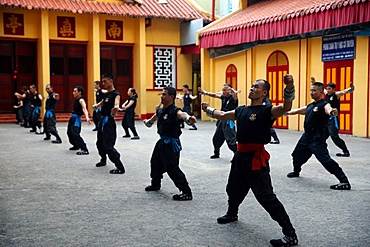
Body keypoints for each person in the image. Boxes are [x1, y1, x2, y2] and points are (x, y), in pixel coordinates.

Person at [201, 75, 298, 247]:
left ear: (264, 92)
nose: (252, 88)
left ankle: (290, 234)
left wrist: (289, 88)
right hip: (239, 157)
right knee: (233, 188)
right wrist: (207, 110)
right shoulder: (241, 110)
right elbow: (223, 115)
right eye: (252, 86)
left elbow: (286, 107)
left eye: (256, 87)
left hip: (256, 158)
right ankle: (232, 214)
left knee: (265, 197)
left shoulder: (267, 110)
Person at [286, 81, 351, 190]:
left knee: (325, 160)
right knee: (296, 155)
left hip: (317, 137)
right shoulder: (311, 105)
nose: (312, 92)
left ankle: (344, 181)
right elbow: (298, 110)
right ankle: (296, 172)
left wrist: (332, 112)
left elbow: (329, 109)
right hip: (306, 136)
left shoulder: (324, 104)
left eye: (314, 90)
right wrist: (286, 112)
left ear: (321, 92)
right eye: (311, 90)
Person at [143, 86, 196, 201]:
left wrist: (189, 119)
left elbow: (183, 115)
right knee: (155, 162)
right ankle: (155, 184)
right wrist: (147, 122)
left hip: (171, 143)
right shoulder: (160, 110)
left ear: (171, 97)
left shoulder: (175, 111)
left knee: (172, 167)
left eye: (164, 94)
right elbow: (151, 120)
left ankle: (186, 192)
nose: (162, 96)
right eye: (161, 94)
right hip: (162, 141)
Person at [93, 73, 125, 174]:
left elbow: (116, 103)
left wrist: (116, 108)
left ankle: (120, 166)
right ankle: (103, 160)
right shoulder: (106, 94)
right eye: (102, 82)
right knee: (99, 143)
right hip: (102, 121)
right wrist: (96, 106)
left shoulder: (116, 94)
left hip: (109, 122)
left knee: (108, 146)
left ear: (111, 81)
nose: (103, 83)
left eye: (105, 81)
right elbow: (102, 103)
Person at [198, 84, 239, 159]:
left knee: (231, 140)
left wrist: (232, 90)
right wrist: (204, 92)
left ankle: (237, 155)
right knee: (216, 138)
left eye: (225, 90)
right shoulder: (223, 97)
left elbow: (234, 95)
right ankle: (216, 153)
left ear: (229, 90)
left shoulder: (233, 98)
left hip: (229, 121)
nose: (223, 92)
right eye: (223, 90)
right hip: (221, 119)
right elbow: (214, 95)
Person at [325, 82, 355, 157]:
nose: (328, 90)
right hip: (326, 119)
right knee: (322, 135)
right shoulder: (327, 94)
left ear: (333, 89)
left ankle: (346, 151)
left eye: (329, 89)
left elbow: (345, 91)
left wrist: (351, 88)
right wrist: (314, 82)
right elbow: (321, 89)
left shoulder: (336, 94)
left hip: (333, 119)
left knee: (334, 136)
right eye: (327, 89)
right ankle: (321, 151)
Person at [67, 86, 92, 155]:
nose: (73, 93)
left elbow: (84, 109)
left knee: (75, 134)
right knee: (69, 133)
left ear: (80, 92)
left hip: (76, 120)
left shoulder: (81, 100)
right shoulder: (76, 100)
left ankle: (84, 149)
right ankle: (76, 145)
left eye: (75, 91)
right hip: (72, 118)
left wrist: (87, 117)